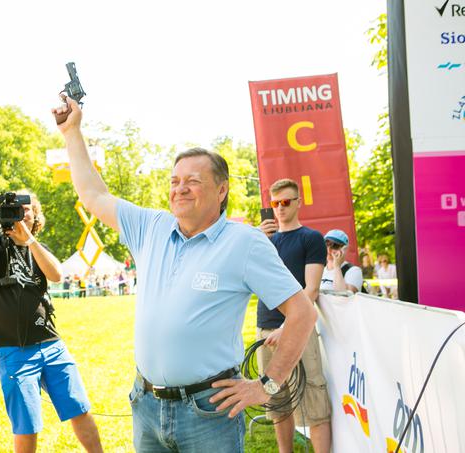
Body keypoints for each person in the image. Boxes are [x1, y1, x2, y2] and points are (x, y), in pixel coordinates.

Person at [53, 97, 317, 452]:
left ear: (221, 190)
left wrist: (266, 385)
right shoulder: (151, 226)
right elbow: (94, 193)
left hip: (209, 412)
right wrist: (72, 132)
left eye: (193, 181)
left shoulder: (244, 242)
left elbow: (302, 312)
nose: (180, 188)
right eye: (175, 180)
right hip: (147, 405)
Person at [0, 190, 102, 453]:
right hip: (12, 349)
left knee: (79, 408)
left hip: (50, 343)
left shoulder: (38, 249)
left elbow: (56, 274)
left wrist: (28, 240)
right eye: (14, 208)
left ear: (35, 216)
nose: (20, 212)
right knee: (26, 425)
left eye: (26, 208)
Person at [258, 179, 331, 453]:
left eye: (286, 202)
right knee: (277, 400)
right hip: (266, 327)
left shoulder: (310, 238)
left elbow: (310, 289)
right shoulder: (264, 241)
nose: (280, 208)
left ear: (298, 202)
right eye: (275, 203)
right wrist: (259, 240)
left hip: (297, 328)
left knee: (313, 397)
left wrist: (287, 326)